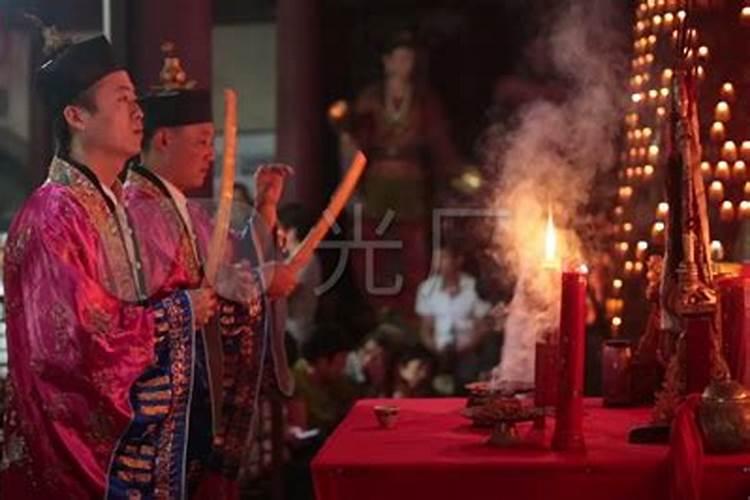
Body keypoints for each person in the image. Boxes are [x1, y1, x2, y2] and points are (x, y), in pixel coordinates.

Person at [0, 35, 216, 498]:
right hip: (77, 459)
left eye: (136, 99)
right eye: (121, 100)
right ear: (76, 117)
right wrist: (178, 313)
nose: (138, 111)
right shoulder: (53, 216)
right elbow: (71, 346)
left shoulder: (110, 202)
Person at [123, 48, 269, 497]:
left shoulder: (194, 213)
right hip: (161, 414)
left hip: (201, 406)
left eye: (213, 143)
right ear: (163, 139)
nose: (211, 155)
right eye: (202, 141)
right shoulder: (136, 211)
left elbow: (229, 277)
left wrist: (267, 212)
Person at [336, 30, 461, 324]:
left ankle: (411, 317)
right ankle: (379, 313)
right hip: (376, 186)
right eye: (400, 57)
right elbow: (354, 144)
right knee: (372, 250)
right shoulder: (370, 99)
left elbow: (440, 145)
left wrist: (456, 174)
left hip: (412, 188)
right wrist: (350, 189)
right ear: (387, 61)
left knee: (413, 253)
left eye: (410, 58)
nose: (406, 64)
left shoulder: (424, 101)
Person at [416, 241, 492, 391]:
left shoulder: (473, 287)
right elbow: (426, 329)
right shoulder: (427, 288)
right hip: (437, 350)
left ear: (458, 260)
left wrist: (466, 346)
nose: (439, 263)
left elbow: (482, 327)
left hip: (467, 349)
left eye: (444, 258)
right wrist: (435, 348)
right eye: (437, 259)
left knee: (466, 375)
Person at [278, 202, 322, 346]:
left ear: (292, 231)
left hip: (295, 332)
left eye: (280, 229)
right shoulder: (293, 258)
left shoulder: (305, 258)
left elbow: (286, 293)